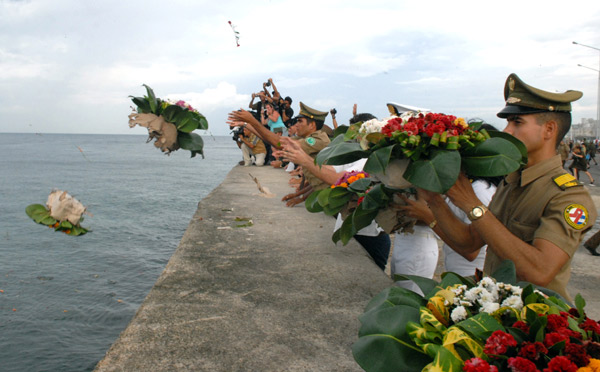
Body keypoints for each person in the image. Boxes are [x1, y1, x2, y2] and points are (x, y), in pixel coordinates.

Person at [418, 73, 596, 301]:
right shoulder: (512, 182)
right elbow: (469, 243)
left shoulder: (567, 195)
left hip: (535, 324)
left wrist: (472, 204)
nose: (507, 131)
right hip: (497, 313)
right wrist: (434, 199)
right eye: (508, 122)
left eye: (517, 122)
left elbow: (539, 272)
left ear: (549, 130)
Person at [228, 102, 331, 206]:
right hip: (323, 194)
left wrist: (252, 121)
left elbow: (278, 143)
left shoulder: (317, 140)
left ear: (312, 125)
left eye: (300, 121)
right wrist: (246, 124)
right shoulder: (303, 138)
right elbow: (273, 141)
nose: (296, 124)